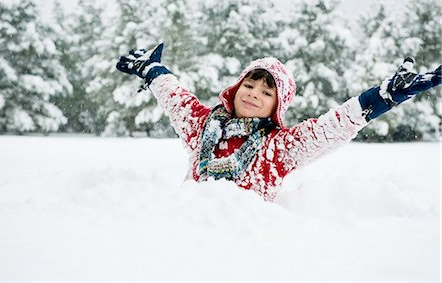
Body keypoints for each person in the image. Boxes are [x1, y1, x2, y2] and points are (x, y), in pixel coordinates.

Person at [116, 43, 441, 201]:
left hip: (250, 249)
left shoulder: (280, 146)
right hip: (188, 237)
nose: (254, 93)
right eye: (250, 84)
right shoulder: (204, 127)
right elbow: (176, 97)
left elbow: (334, 126)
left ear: (277, 104)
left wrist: (384, 96)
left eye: (266, 90)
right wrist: (151, 70)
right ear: (236, 88)